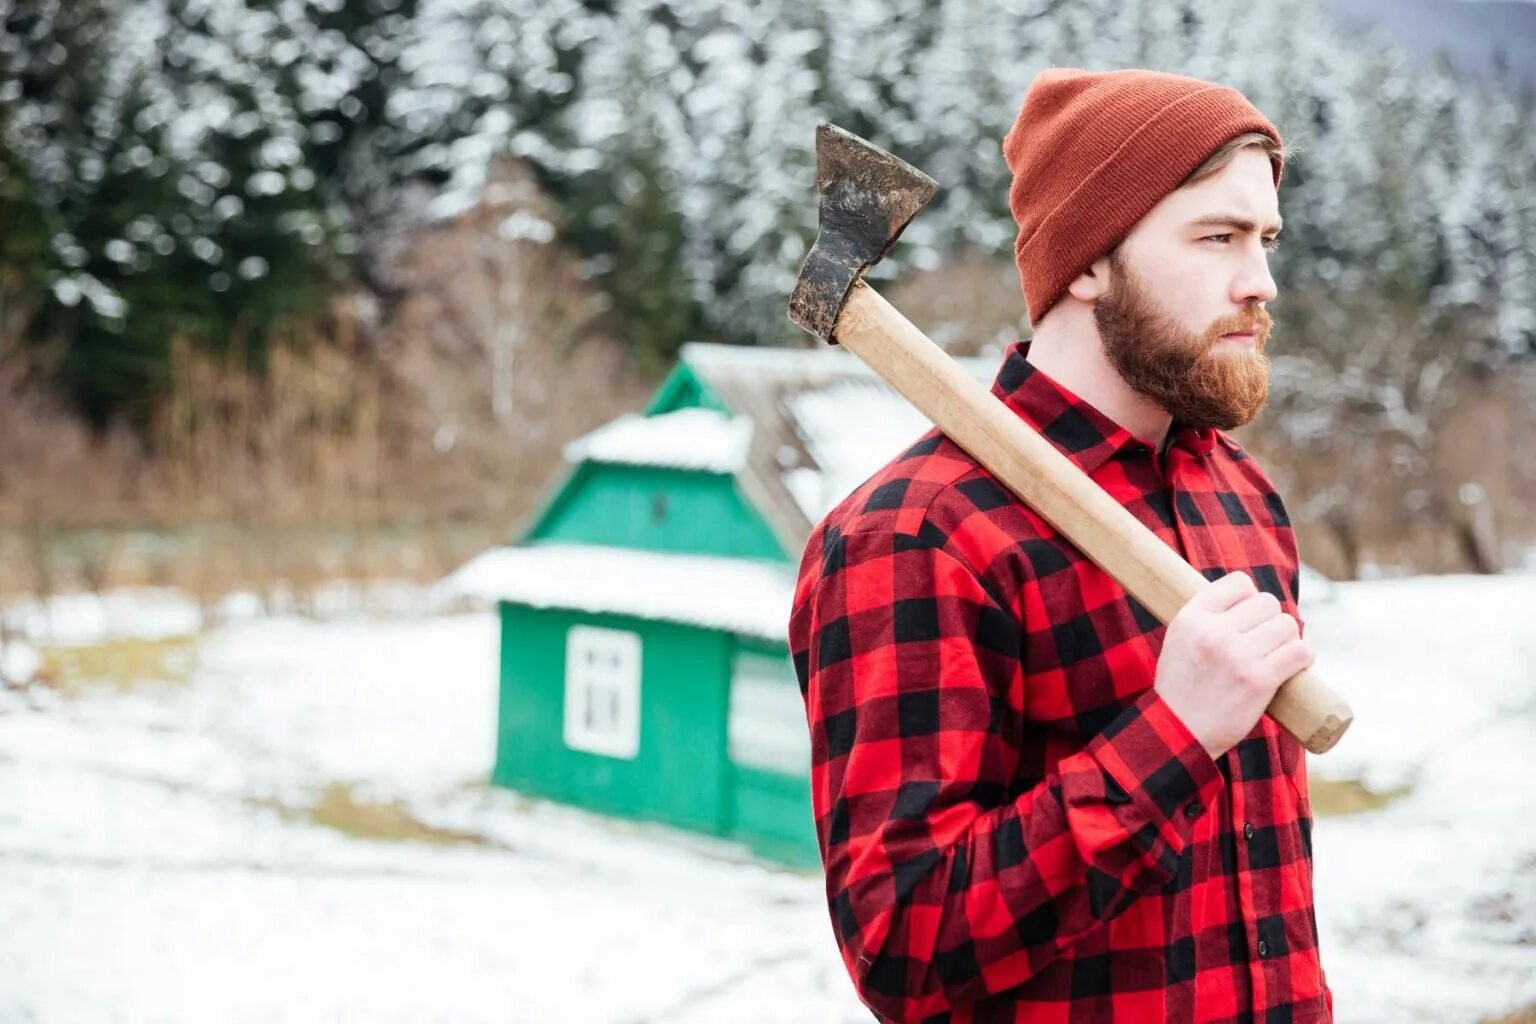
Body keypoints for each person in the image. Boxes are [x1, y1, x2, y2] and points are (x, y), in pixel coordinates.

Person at [788, 67, 1333, 1023]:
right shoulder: (916, 535)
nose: (1261, 281)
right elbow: (904, 947)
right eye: (1218, 238)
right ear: (1087, 261)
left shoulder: (1242, 497)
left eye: (1266, 239)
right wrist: (1174, 734)